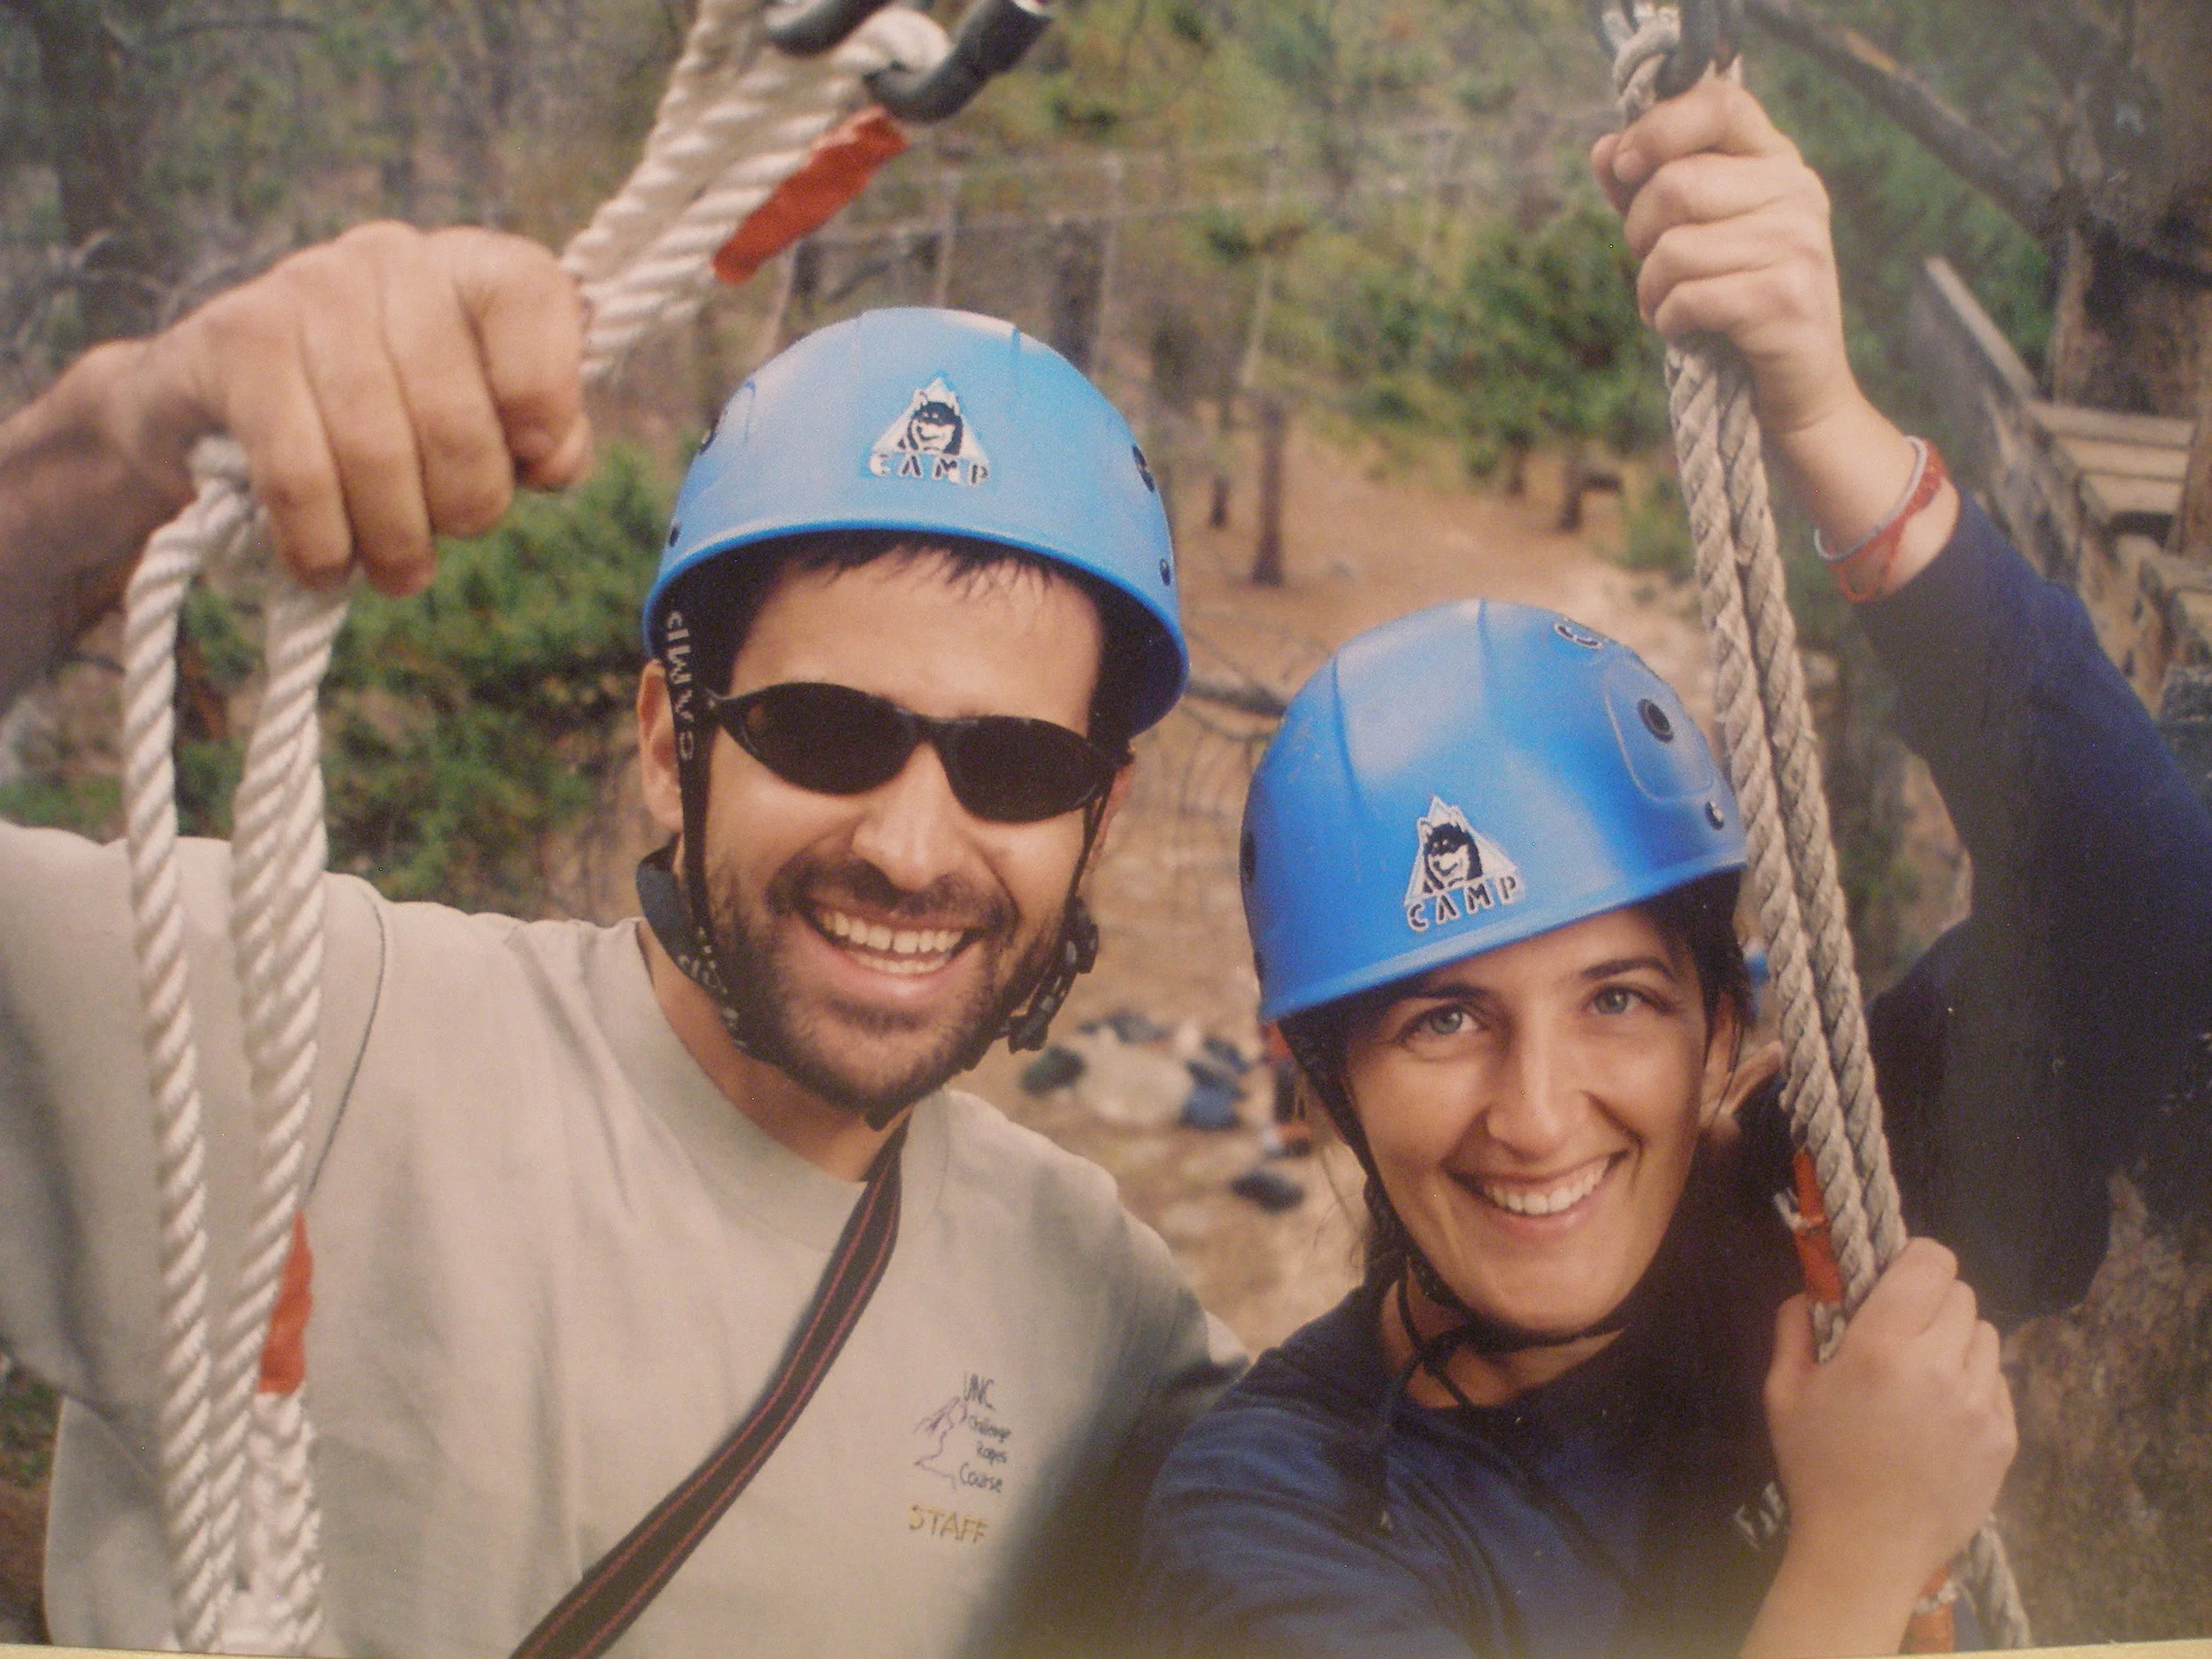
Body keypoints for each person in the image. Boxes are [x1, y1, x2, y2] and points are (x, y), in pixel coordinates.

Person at [0, 222, 1240, 1655]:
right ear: (670, 744)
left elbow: (1471, 1492)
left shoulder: (1093, 1305)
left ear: (1100, 817)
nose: (910, 848)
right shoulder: (301, 1036)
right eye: (825, 732)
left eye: (1016, 767)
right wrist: (127, 439)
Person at [1129, 77, 2212, 1659]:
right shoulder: (1274, 1521)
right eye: (1441, 1018)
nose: (1543, 1111)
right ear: (1314, 1082)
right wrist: (1857, 1554)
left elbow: (2159, 921)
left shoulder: (1803, 1223)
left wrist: (1832, 432)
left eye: (1620, 997)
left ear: (1728, 1033)